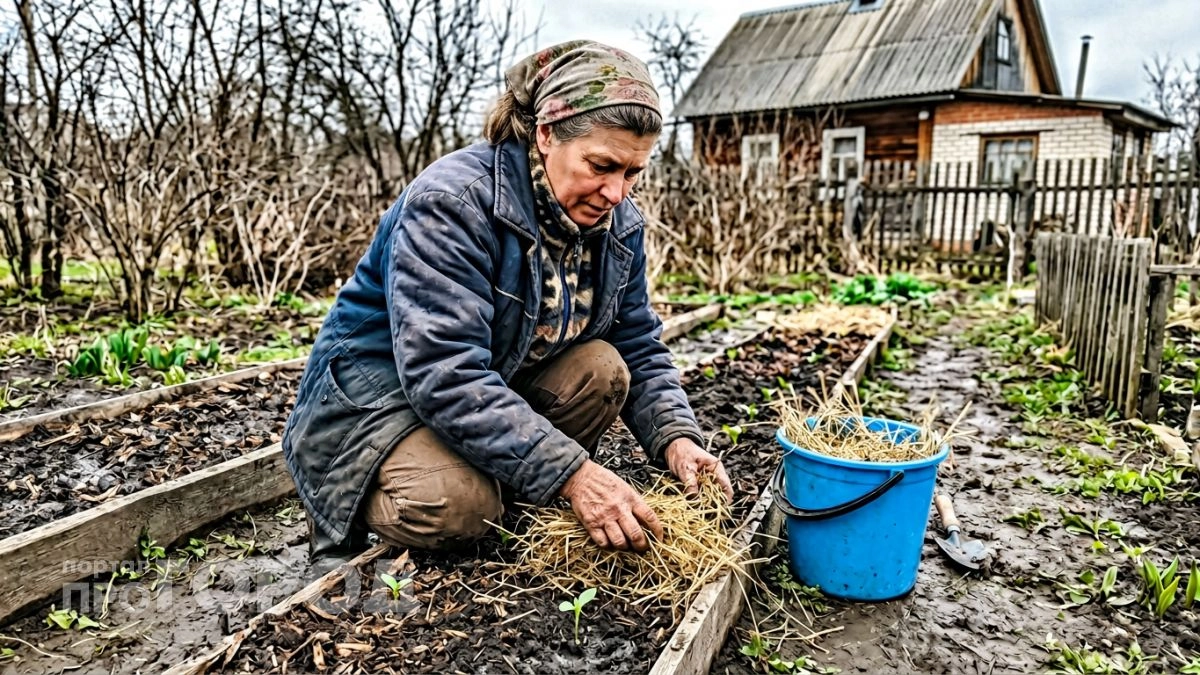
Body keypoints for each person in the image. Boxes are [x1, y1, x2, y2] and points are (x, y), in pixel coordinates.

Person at [282, 40, 732, 565]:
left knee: (603, 367)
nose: (616, 192)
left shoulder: (617, 225)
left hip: (487, 385)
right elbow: (443, 371)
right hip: (384, 404)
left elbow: (636, 342)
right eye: (602, 165)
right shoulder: (452, 204)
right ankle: (377, 494)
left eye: (632, 173)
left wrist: (676, 437)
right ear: (545, 134)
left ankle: (507, 483)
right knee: (459, 507)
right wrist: (573, 475)